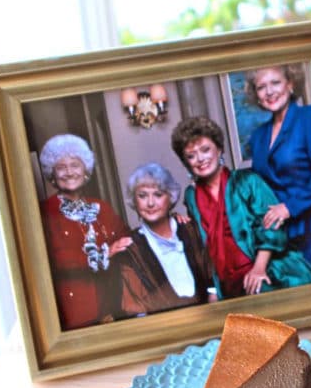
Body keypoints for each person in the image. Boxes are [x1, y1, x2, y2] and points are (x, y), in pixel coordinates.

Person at [171, 116, 311, 299]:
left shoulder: (248, 181)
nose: (200, 159)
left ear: (219, 149)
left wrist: (258, 269)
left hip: (267, 270)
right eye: (191, 156)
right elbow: (201, 242)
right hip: (226, 283)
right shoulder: (191, 196)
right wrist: (175, 219)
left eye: (205, 150)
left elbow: (272, 227)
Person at [245, 64, 311, 280]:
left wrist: (289, 207)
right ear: (256, 95)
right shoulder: (258, 136)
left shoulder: (309, 117)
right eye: (261, 87)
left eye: (275, 82)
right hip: (280, 236)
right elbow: (258, 185)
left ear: (290, 84)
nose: (269, 92)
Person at [38, 134, 131, 330]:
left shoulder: (101, 207)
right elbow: (53, 258)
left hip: (114, 303)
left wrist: (169, 220)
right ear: (52, 175)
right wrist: (106, 253)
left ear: (85, 171)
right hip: (75, 310)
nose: (69, 172)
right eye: (61, 167)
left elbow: (126, 237)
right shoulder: (45, 212)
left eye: (75, 165)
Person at [118, 163, 216, 317]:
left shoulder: (192, 229)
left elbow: (213, 274)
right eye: (142, 196)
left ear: (170, 197)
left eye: (158, 194)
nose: (150, 203)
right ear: (134, 201)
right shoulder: (131, 248)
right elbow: (135, 308)